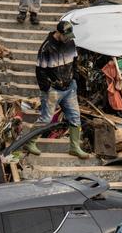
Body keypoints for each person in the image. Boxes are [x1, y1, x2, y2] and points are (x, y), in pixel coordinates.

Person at [25, 19, 90, 159]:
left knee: (75, 117)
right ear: (58, 33)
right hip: (53, 90)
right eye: (65, 37)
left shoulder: (70, 43)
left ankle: (74, 147)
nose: (67, 40)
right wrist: (47, 88)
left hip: (69, 88)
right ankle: (30, 142)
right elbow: (40, 71)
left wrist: (75, 79)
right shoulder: (46, 48)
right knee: (46, 118)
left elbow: (74, 62)